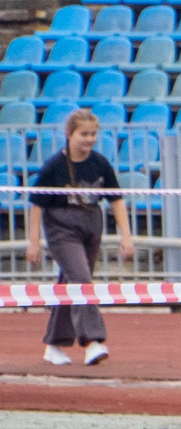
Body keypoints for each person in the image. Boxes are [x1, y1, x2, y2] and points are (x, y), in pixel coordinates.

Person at [27, 107, 134, 366]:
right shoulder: (54, 166)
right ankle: (92, 341)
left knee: (69, 284)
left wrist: (126, 236)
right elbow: (37, 205)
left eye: (93, 134)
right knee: (82, 279)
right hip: (62, 228)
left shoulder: (99, 163)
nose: (88, 139)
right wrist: (34, 242)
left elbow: (116, 200)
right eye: (83, 134)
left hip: (91, 225)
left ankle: (54, 343)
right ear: (69, 134)